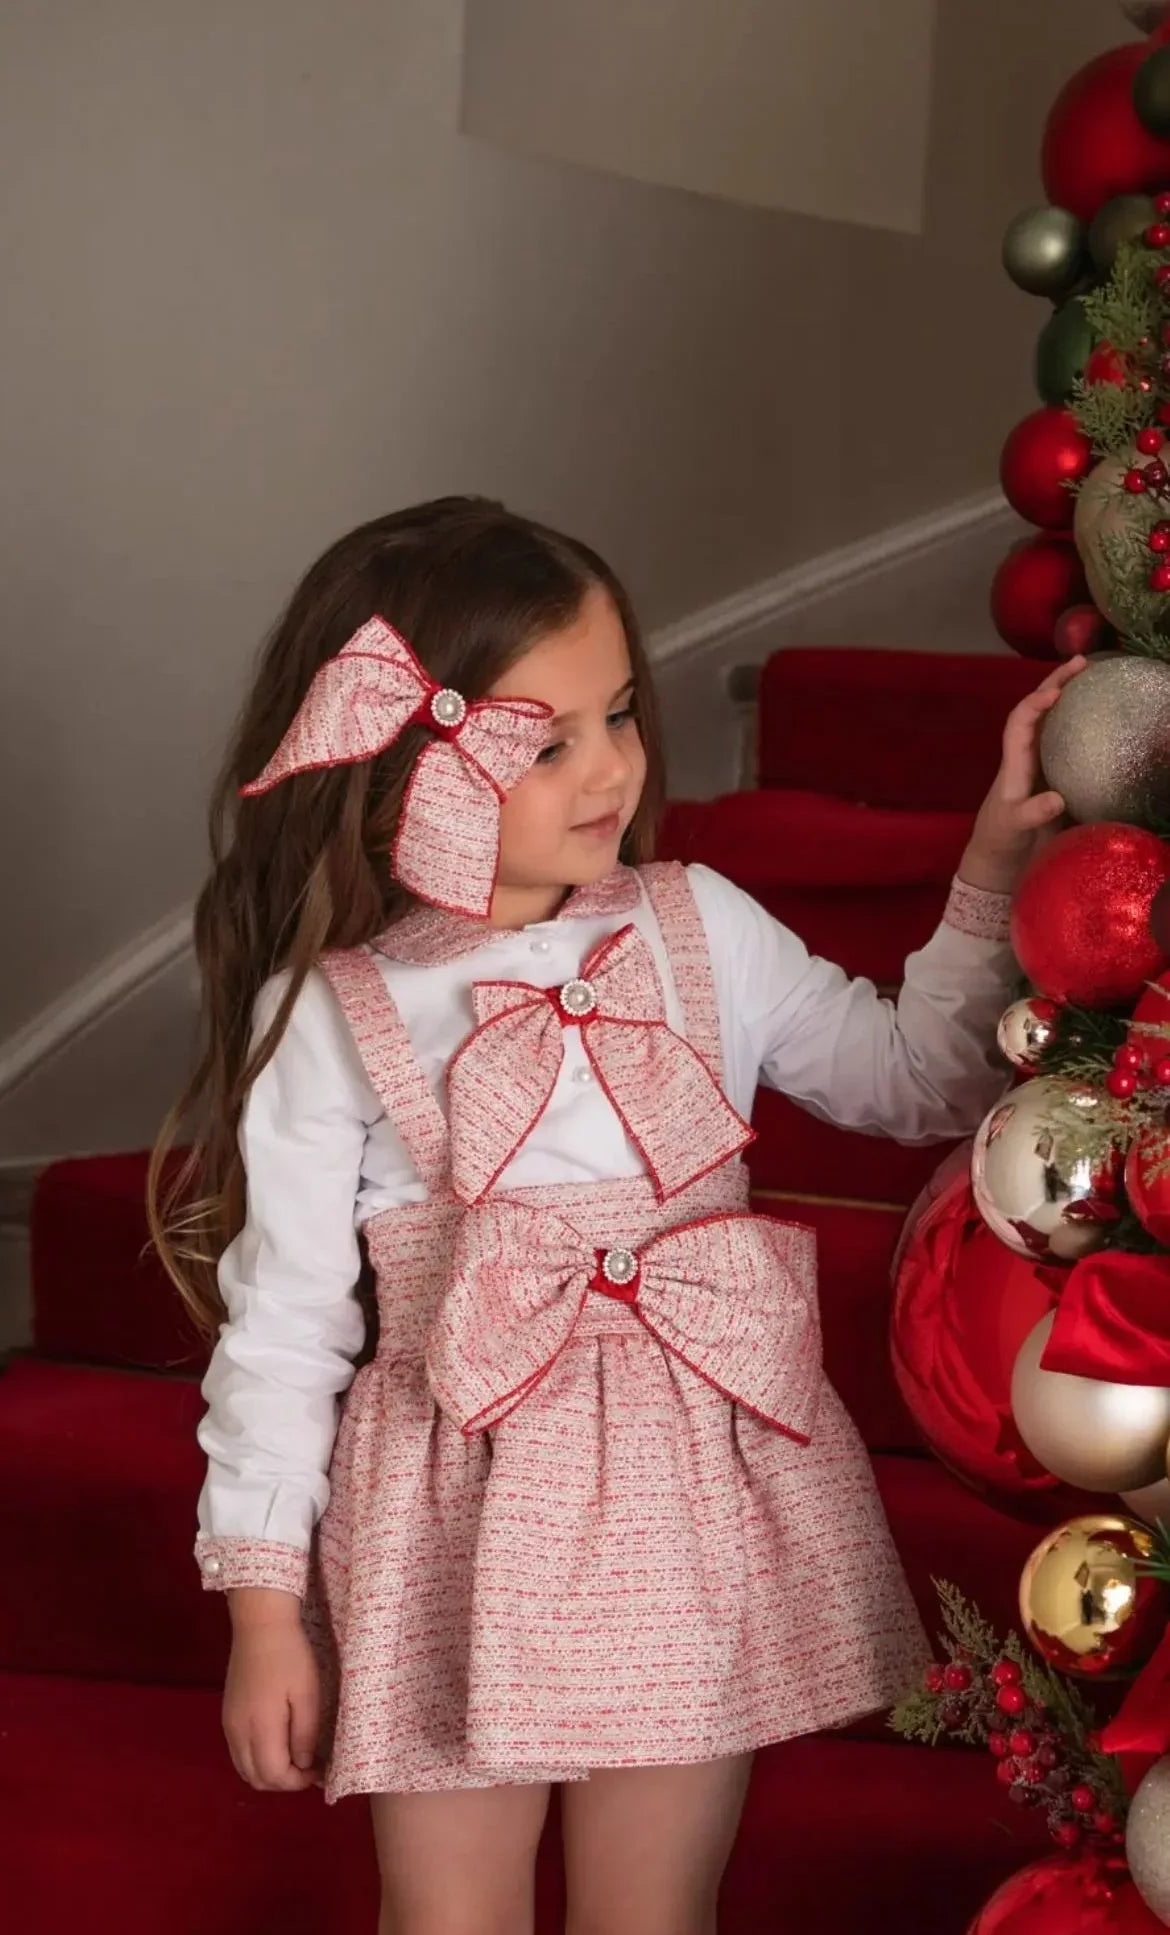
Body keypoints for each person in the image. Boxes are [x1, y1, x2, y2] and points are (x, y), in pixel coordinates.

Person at [150, 496, 1080, 1935]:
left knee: (652, 1914)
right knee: (447, 1919)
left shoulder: (696, 920)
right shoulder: (334, 1017)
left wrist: (987, 878)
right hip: (454, 1524)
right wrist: (264, 1611)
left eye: (620, 715)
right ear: (404, 777)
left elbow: (919, 1083)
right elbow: (279, 1335)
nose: (611, 769)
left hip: (688, 1495)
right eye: (547, 740)